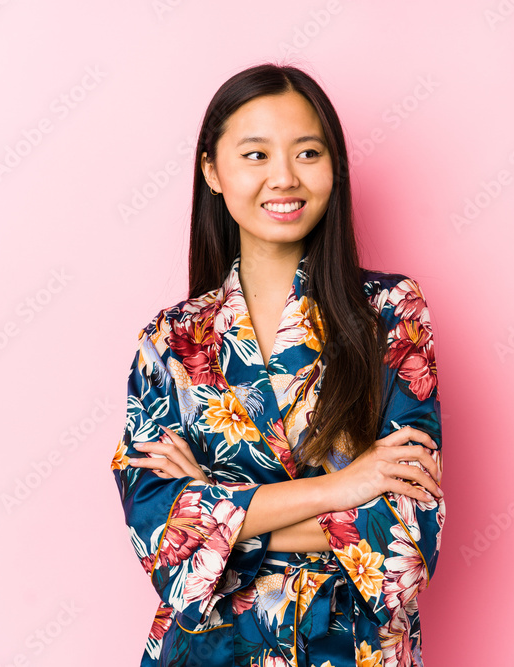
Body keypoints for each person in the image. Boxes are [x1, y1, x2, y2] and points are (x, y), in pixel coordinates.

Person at [110, 63, 445, 667]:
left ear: (334, 166)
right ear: (212, 170)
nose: (284, 178)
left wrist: (214, 507)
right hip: (209, 651)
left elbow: (407, 541)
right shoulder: (172, 340)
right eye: (255, 155)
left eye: (307, 152)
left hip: (353, 650)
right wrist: (346, 487)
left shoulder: (390, 313)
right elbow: (160, 541)